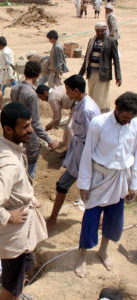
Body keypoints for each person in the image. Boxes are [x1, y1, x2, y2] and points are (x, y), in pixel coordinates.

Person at [0, 102, 48, 300]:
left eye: (30, 124)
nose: (31, 130)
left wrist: (30, 197)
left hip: (13, 234)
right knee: (11, 287)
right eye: (25, 127)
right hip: (12, 237)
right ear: (8, 129)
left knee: (23, 268)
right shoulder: (9, 164)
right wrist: (8, 216)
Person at [74, 92, 137, 278]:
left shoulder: (134, 124)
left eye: (131, 118)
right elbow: (87, 153)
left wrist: (134, 183)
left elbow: (135, 154)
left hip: (120, 178)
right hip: (99, 178)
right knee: (91, 218)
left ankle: (103, 250)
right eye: (125, 117)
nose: (128, 121)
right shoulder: (99, 123)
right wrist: (84, 183)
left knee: (114, 219)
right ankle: (83, 255)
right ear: (117, 109)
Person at [45, 75, 100, 229]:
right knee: (71, 186)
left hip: (85, 155)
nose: (67, 93)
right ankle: (54, 218)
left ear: (76, 91)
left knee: (76, 187)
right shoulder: (80, 104)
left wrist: (89, 163)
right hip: (78, 152)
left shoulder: (88, 109)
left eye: (68, 90)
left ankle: (54, 219)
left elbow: (93, 138)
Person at [10, 60, 59, 179]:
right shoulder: (31, 94)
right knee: (29, 171)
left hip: (15, 135)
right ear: (38, 75)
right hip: (28, 137)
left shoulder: (14, 89)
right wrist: (49, 140)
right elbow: (35, 123)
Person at [79, 22, 121, 112]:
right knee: (92, 95)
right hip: (91, 74)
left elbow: (116, 60)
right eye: (98, 31)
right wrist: (80, 75)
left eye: (102, 31)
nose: (100, 33)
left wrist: (118, 77)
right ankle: (93, 113)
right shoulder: (91, 41)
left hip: (103, 74)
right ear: (95, 31)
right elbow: (87, 58)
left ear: (105, 30)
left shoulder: (111, 41)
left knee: (101, 97)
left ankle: (102, 114)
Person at [36, 84, 74, 149]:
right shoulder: (55, 89)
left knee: (69, 128)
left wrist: (49, 125)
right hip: (74, 107)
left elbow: (57, 117)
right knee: (67, 127)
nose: (42, 100)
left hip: (77, 106)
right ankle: (67, 147)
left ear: (45, 93)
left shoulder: (52, 98)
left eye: (41, 97)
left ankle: (71, 150)